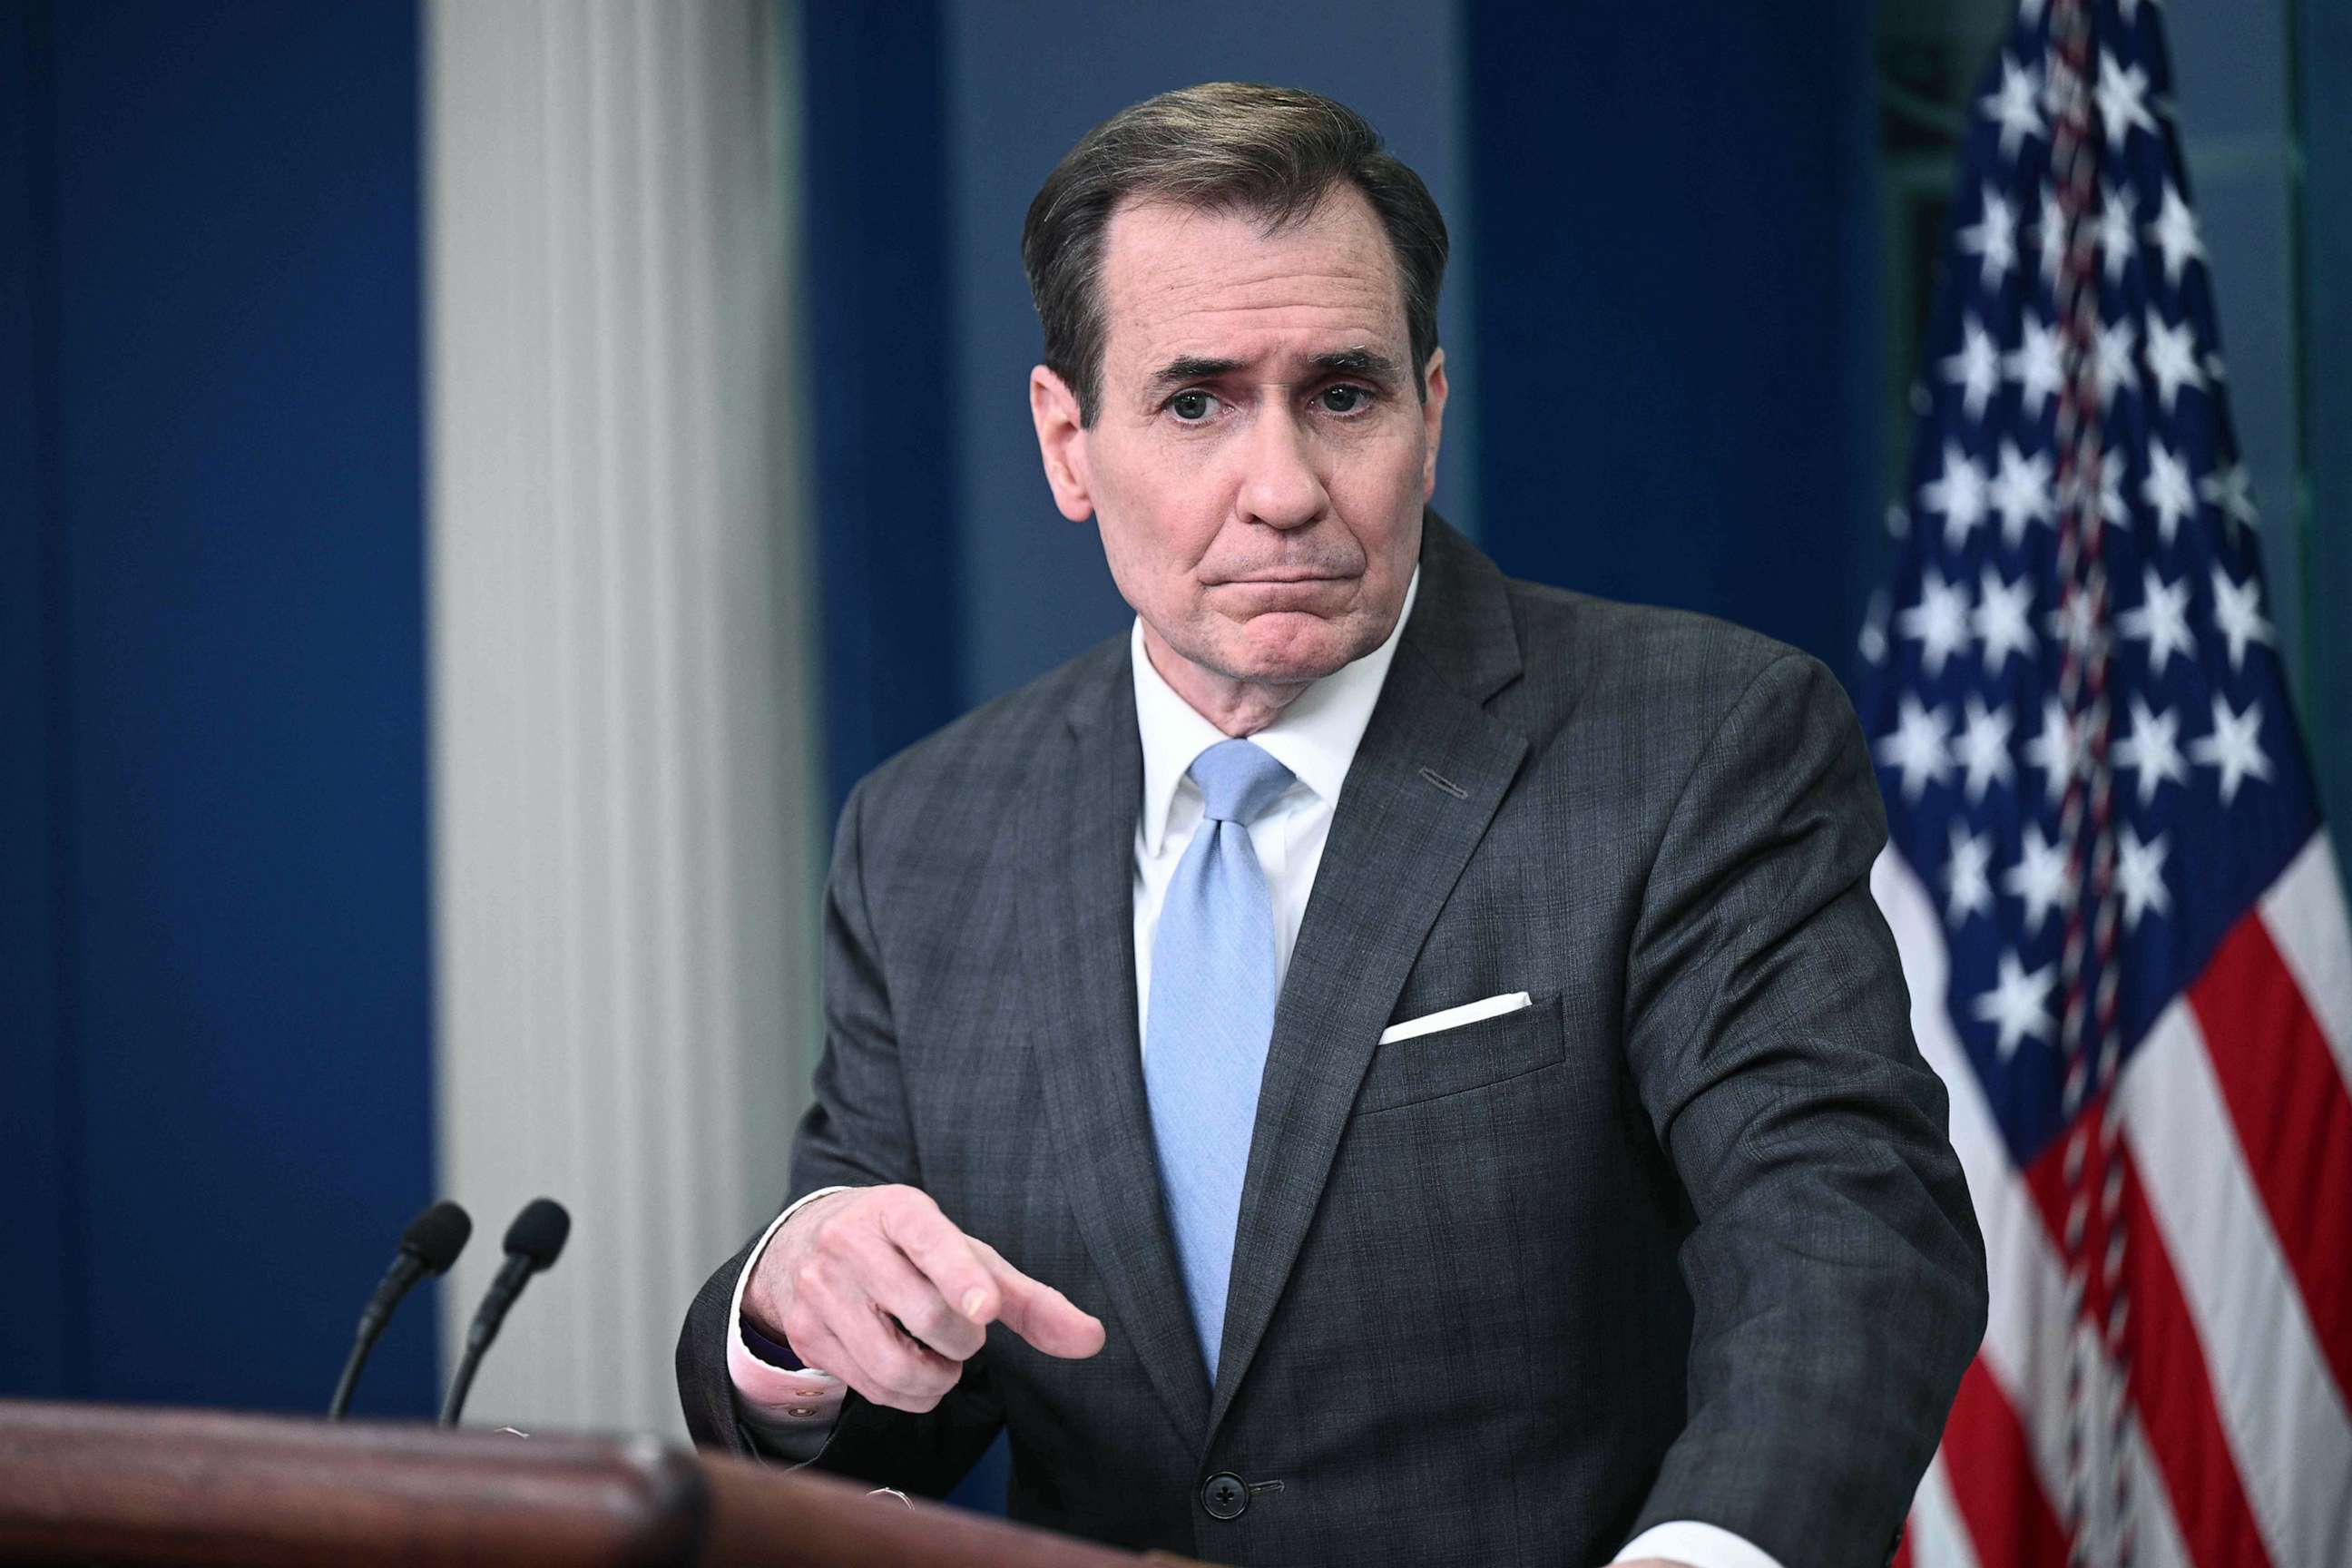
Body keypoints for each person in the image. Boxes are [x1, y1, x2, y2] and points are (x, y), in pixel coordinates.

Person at [675, 82, 1986, 1568]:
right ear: (1066, 441)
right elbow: (882, 1404)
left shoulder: (1698, 740)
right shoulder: (923, 833)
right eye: (1195, 402)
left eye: (1342, 395)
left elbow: (1843, 1232)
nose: (1285, 490)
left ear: (1430, 415)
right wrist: (788, 1297)